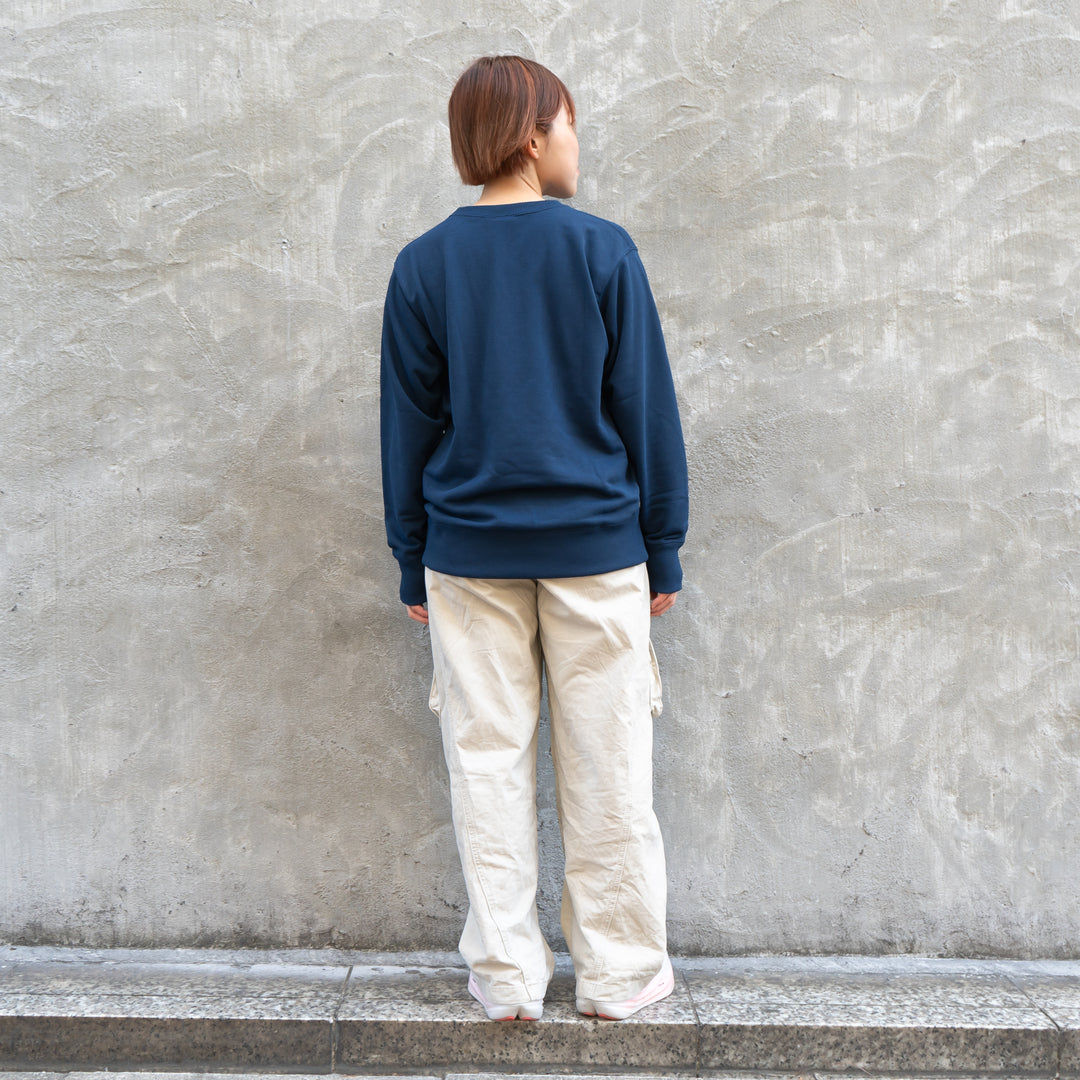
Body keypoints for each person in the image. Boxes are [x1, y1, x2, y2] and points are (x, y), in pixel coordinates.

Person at [380, 55, 688, 1022]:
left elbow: (407, 427)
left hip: (468, 556)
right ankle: (620, 976)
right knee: (609, 768)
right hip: (597, 551)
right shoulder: (602, 251)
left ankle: (509, 978)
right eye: (569, 122)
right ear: (530, 136)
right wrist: (663, 544)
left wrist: (410, 552)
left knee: (486, 762)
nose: (576, 141)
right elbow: (645, 410)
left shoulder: (424, 264)